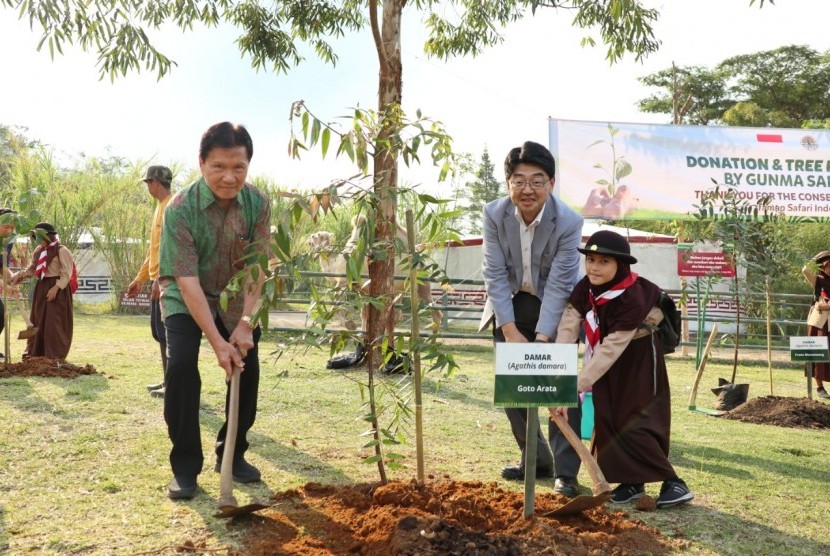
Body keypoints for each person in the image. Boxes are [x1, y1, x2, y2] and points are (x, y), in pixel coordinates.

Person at [158, 122, 271, 500]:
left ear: (248, 165)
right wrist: (216, 341)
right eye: (219, 167)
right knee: (181, 369)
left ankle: (233, 455)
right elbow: (186, 280)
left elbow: (258, 268)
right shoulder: (180, 209)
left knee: (247, 369)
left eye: (238, 167)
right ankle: (186, 466)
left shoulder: (258, 203)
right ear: (202, 163)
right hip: (184, 297)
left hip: (237, 298)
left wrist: (244, 324)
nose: (229, 177)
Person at [550, 230, 694, 509]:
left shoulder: (633, 295)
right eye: (590, 259)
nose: (594, 267)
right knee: (607, 416)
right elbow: (568, 326)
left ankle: (674, 483)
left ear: (621, 265)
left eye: (604, 261)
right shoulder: (585, 287)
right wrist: (559, 379)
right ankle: (631, 484)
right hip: (609, 358)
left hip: (639, 357)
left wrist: (575, 386)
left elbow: (611, 348)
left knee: (636, 419)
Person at [479, 140, 584, 497]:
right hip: (508, 304)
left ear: (551, 184)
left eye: (537, 181)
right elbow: (493, 273)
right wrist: (509, 331)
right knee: (514, 389)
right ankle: (535, 458)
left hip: (553, 306)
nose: (528, 189)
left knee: (559, 387)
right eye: (519, 180)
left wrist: (542, 342)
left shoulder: (569, 221)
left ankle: (565, 473)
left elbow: (560, 283)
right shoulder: (494, 214)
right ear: (508, 183)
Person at [126, 165, 174, 398]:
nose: (147, 187)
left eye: (148, 183)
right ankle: (168, 379)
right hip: (157, 279)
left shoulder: (172, 207)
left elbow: (171, 249)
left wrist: (160, 279)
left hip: (168, 282)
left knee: (167, 333)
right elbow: (153, 250)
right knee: (159, 332)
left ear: (155, 182)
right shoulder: (159, 208)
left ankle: (173, 384)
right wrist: (141, 278)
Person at [8, 222, 75, 360]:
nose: (38, 241)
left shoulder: (62, 250)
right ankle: (37, 353)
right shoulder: (39, 250)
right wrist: (18, 276)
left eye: (40, 238)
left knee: (54, 322)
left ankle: (54, 355)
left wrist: (56, 288)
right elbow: (32, 269)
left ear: (49, 236)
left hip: (58, 289)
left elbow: (67, 273)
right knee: (38, 320)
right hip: (42, 287)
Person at [802, 250, 830, 399]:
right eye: (828, 265)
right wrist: (817, 256)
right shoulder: (818, 280)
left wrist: (826, 305)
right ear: (823, 267)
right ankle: (820, 388)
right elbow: (805, 269)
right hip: (819, 323)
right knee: (817, 354)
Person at [0, 208, 17, 358]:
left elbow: (2, 266)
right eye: (6, 227)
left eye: (12, 227)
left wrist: (12, 279)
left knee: (0, 314)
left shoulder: (8, 242)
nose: (9, 230)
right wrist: (3, 284)